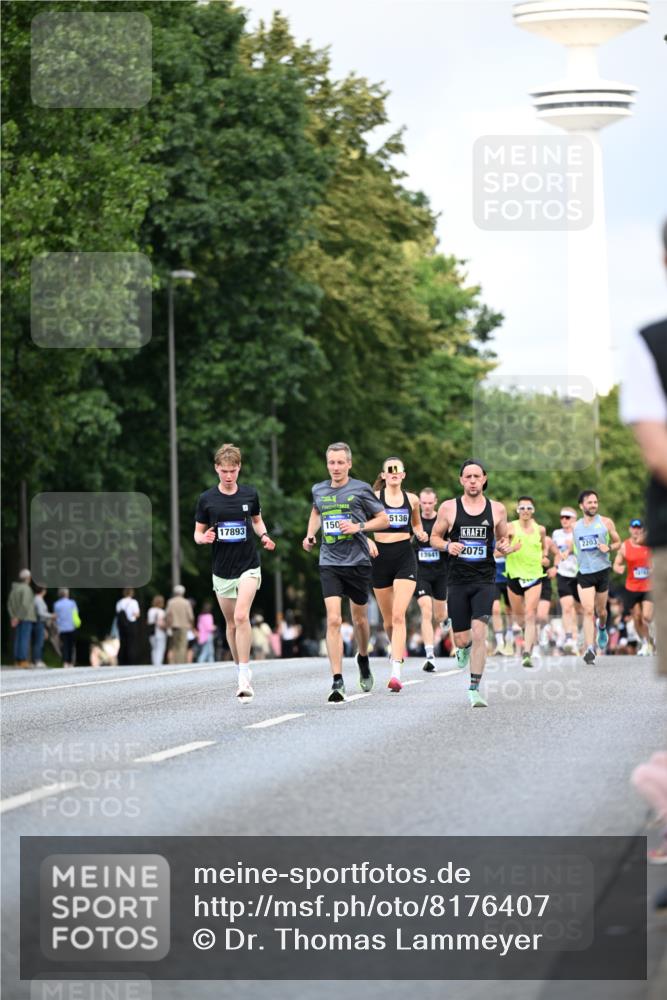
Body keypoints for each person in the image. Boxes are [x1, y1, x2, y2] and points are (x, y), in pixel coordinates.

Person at [303, 441, 389, 702]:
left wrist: (358, 527)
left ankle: (363, 658)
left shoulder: (361, 489)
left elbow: (384, 520)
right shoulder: (318, 489)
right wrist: (309, 535)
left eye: (341, 462)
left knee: (360, 620)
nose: (336, 467)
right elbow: (317, 512)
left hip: (357, 562)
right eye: (332, 462)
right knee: (333, 620)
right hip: (329, 562)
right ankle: (337, 680)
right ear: (327, 464)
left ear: (349, 464)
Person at [194, 442, 275, 701]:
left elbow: (257, 520)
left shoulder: (249, 495)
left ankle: (243, 674)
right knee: (230, 624)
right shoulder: (207, 499)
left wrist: (264, 536)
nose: (229, 476)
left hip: (248, 565)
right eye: (224, 471)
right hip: (221, 570)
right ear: (217, 469)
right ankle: (239, 666)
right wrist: (202, 538)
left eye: (233, 471)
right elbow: (197, 532)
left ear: (239, 468)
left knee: (242, 616)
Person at [431, 459, 510, 707]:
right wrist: (447, 545)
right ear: (461, 480)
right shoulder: (448, 508)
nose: (473, 481)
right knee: (462, 639)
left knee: (479, 634)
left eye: (477, 476)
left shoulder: (497, 509)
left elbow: (503, 537)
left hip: (485, 580)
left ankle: (474, 688)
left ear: (485, 479)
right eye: (468, 477)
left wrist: (505, 545)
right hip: (457, 581)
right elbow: (434, 537)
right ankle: (461, 647)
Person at [367, 457, 426, 691]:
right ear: (383, 475)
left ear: (403, 475)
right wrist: (365, 541)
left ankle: (396, 671)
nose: (393, 473)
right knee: (389, 620)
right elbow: (359, 524)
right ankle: (396, 651)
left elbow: (417, 525)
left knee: (400, 615)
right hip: (380, 558)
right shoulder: (373, 498)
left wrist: (420, 534)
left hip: (404, 556)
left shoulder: (412, 500)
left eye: (397, 470)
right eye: (388, 470)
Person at [573, 489, 621, 664]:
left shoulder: (606, 522)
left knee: (601, 611)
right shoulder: (575, 526)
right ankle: (589, 648)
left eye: (595, 502)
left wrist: (609, 548)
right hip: (584, 573)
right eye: (589, 502)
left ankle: (602, 629)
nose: (593, 505)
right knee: (587, 610)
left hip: (602, 571)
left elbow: (618, 541)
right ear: (581, 505)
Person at [504, 496, 550, 668]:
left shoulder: (541, 530)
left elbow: (544, 546)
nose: (525, 511)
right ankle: (525, 631)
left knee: (530, 613)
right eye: (522, 508)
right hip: (514, 576)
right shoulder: (510, 528)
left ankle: (527, 653)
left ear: (533, 510)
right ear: (517, 510)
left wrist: (545, 557)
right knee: (520, 617)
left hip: (534, 575)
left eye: (528, 508)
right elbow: (497, 552)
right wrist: (511, 549)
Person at [414, 487, 451, 672]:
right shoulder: (415, 521)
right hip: (421, 574)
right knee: (425, 611)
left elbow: (451, 544)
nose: (427, 506)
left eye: (430, 503)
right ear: (419, 502)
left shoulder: (442, 521)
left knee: (439, 615)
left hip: (440, 573)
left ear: (435, 502)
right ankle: (429, 655)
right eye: (424, 503)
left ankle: (446, 621)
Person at [613, 519, 654, 656]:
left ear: (642, 529)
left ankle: (651, 638)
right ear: (630, 529)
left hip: (648, 586)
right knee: (636, 617)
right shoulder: (625, 546)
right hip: (631, 587)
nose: (636, 530)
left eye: (639, 527)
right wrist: (617, 567)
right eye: (633, 527)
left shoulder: (649, 545)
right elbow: (616, 563)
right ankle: (646, 642)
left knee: (646, 617)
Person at [552, 507, 581, 654]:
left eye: (568, 517)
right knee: (567, 607)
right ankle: (569, 638)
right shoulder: (556, 534)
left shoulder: (581, 533)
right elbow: (555, 553)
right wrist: (554, 567)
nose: (564, 520)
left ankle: (580, 635)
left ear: (575, 520)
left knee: (581, 609)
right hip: (563, 574)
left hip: (580, 573)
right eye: (562, 517)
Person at [7, 568, 36, 668]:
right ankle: (23, 660)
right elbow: (25, 605)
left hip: (16, 617)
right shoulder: (26, 589)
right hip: (25, 617)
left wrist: (13, 617)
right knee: (24, 638)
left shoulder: (14, 588)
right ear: (28, 578)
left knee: (18, 638)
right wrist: (18, 617)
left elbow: (9, 604)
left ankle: (17, 660)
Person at [165, 585, 195, 665]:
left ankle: (173, 662)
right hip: (184, 626)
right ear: (183, 592)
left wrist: (168, 625)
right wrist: (191, 626)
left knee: (173, 645)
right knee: (182, 646)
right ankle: (181, 662)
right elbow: (191, 616)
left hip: (173, 626)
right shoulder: (186, 602)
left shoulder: (170, 602)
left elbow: (167, 614)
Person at [53, 587, 79, 668]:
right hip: (71, 627)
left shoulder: (56, 604)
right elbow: (76, 613)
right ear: (67, 594)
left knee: (64, 646)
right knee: (71, 646)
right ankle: (70, 662)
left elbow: (56, 616)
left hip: (61, 628)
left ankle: (65, 662)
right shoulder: (72, 603)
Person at [116, 587, 141, 666]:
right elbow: (137, 614)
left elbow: (118, 613)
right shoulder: (134, 602)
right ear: (131, 593)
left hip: (122, 625)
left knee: (122, 643)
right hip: (131, 624)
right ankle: (131, 660)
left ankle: (121, 660)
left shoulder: (119, 602)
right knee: (131, 643)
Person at [33, 586, 54, 667]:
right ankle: (37, 660)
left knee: (39, 641)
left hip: (41, 622)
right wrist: (51, 615)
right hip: (39, 622)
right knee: (39, 642)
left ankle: (38, 659)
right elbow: (41, 613)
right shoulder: (38, 599)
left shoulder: (38, 599)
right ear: (42, 590)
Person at [147, 595, 167, 666]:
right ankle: (158, 664)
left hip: (152, 632)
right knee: (160, 648)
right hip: (160, 632)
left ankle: (154, 663)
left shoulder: (150, 611)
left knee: (153, 648)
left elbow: (149, 622)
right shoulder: (162, 612)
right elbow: (161, 624)